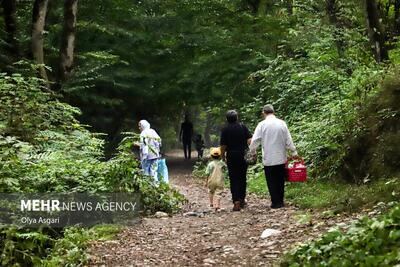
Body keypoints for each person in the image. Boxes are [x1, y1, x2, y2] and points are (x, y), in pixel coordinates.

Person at [249, 104, 299, 209]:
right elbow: (288, 140)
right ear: (273, 112)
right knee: (280, 179)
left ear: (264, 113)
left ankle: (275, 202)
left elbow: (255, 140)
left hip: (268, 158)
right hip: (281, 156)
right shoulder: (282, 123)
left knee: (271, 180)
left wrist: (252, 151)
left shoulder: (261, 125)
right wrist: (294, 153)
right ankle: (280, 201)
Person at [220, 110, 252, 211]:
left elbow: (223, 145)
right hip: (243, 155)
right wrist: (251, 150)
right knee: (242, 177)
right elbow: (250, 140)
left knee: (233, 178)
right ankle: (242, 199)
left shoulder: (225, 130)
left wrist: (222, 156)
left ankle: (236, 201)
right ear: (237, 117)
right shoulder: (243, 127)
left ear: (227, 119)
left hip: (232, 155)